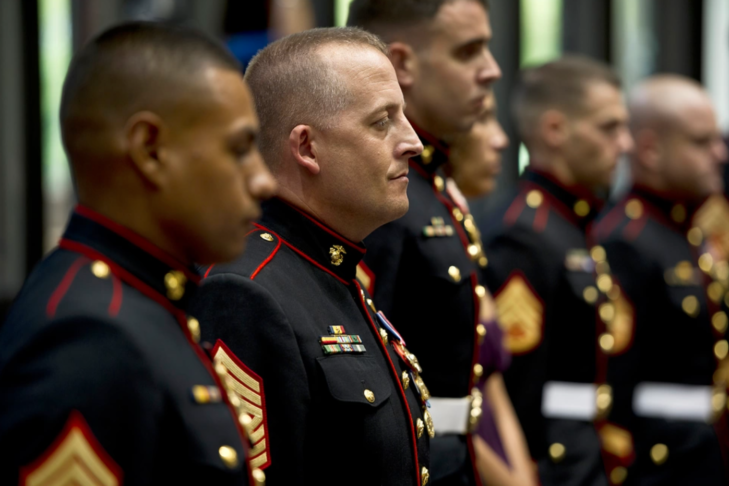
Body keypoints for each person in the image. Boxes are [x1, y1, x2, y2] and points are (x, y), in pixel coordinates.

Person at [0, 22, 276, 485]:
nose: (263, 180)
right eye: (240, 149)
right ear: (150, 149)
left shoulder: (142, 301)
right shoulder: (90, 338)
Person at [189, 27, 430, 486]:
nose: (412, 142)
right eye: (382, 122)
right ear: (306, 148)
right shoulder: (247, 294)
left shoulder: (331, 269)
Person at [347, 1, 501, 483]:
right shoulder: (382, 193)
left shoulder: (431, 183)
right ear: (403, 63)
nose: (491, 71)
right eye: (469, 51)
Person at [481, 56, 633, 486]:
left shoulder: (574, 222)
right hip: (552, 463)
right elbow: (516, 384)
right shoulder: (523, 234)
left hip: (589, 453)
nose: (625, 144)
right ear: (554, 130)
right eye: (609, 128)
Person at [593, 75, 729, 485]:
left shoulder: (686, 233)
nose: (720, 153)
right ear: (651, 150)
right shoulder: (625, 239)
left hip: (706, 452)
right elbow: (613, 379)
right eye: (701, 142)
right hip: (658, 464)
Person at [447, 93, 536, 486]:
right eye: (481, 121)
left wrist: (523, 476)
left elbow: (493, 382)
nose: (500, 139)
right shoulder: (412, 230)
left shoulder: (462, 228)